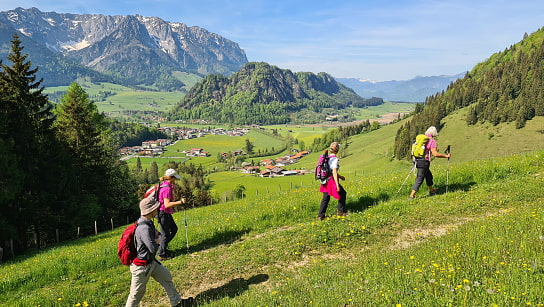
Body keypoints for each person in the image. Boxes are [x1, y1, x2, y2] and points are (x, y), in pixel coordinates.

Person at [125, 191, 193, 307]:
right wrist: (159, 240)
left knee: (166, 277)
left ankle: (177, 303)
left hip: (151, 262)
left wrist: (157, 237)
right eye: (156, 208)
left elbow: (153, 240)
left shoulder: (148, 222)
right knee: (136, 294)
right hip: (142, 267)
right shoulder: (144, 228)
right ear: (150, 211)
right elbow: (152, 248)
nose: (158, 209)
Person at [409, 126, 451, 199]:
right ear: (434, 133)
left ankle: (431, 190)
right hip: (424, 162)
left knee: (429, 176)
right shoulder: (432, 141)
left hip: (417, 160)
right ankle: (412, 195)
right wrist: (446, 156)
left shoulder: (422, 139)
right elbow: (435, 154)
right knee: (420, 178)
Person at [157, 169, 186, 260]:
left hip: (164, 212)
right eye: (175, 178)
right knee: (165, 234)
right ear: (172, 178)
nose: (175, 180)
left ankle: (162, 248)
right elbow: (167, 204)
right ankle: (162, 254)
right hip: (163, 213)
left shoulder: (163, 185)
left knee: (173, 229)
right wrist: (180, 202)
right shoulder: (167, 188)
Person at [318, 142, 348, 220]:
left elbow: (329, 170)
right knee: (343, 193)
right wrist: (337, 185)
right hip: (331, 181)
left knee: (326, 198)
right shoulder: (334, 159)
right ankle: (340, 213)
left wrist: (340, 176)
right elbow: (334, 172)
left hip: (325, 180)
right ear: (337, 150)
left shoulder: (327, 157)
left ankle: (320, 216)